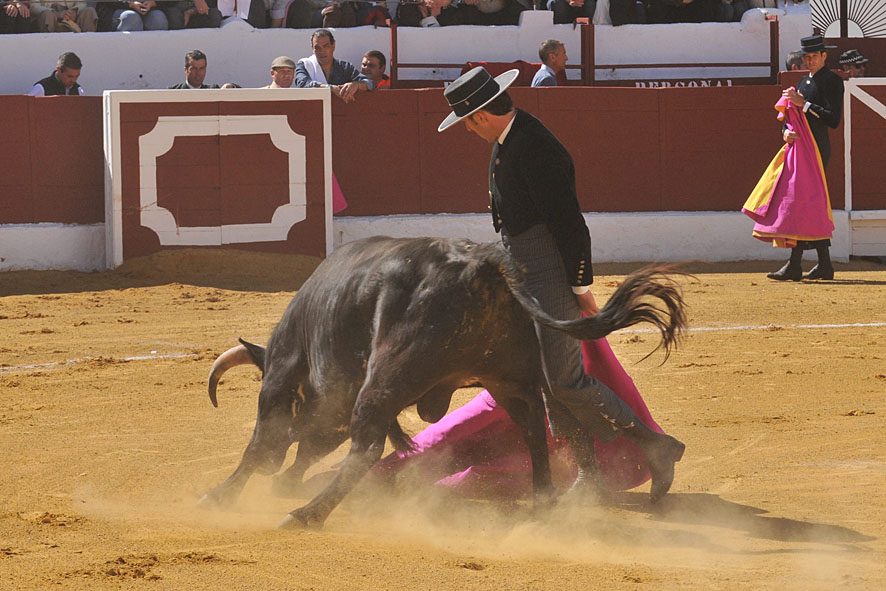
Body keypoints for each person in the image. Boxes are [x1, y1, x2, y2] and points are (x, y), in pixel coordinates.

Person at [437, 67, 685, 503]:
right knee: (548, 383)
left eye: (465, 123)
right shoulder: (510, 140)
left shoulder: (534, 146)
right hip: (524, 269)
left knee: (567, 381)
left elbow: (570, 224)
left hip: (548, 269)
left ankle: (655, 447)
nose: (467, 131)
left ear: (477, 116)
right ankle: (588, 473)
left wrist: (577, 284)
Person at [373, 339, 667, 498]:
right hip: (536, 394)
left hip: (534, 393)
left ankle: (384, 478)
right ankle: (384, 476)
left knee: (477, 459)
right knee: (473, 455)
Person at [744, 35, 845, 281]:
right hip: (798, 148)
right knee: (804, 204)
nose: (809, 61)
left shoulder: (832, 81)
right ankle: (821, 265)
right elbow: (790, 117)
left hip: (817, 150)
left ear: (824, 56)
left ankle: (796, 265)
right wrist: (785, 132)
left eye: (813, 57)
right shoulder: (803, 80)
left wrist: (806, 104)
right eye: (806, 58)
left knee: (804, 203)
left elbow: (833, 120)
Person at [295, 29, 374, 102]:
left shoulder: (345, 67)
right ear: (312, 49)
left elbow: (370, 83)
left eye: (326, 46)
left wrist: (356, 85)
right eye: (317, 48)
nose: (322, 51)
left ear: (333, 46)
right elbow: (302, 84)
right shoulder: (305, 65)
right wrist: (330, 88)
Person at [99, 0, 169, 31]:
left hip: (151, 9)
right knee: (131, 17)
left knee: (158, 18)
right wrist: (130, 4)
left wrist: (153, 3)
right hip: (120, 9)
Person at [29, 0, 97, 31]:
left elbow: (82, 3)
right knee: (47, 15)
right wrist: (56, 14)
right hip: (51, 17)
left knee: (90, 11)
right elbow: (33, 7)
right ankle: (48, 46)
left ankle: (87, 45)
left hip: (71, 20)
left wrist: (74, 11)